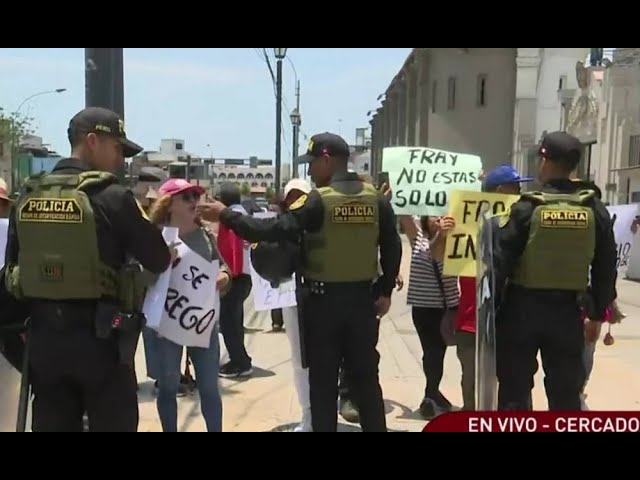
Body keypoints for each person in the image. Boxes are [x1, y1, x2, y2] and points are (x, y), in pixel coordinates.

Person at [197, 132, 402, 432]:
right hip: (362, 305)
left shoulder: (317, 200)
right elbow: (392, 244)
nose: (309, 171)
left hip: (323, 308)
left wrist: (226, 215)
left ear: (327, 159)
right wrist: (384, 291)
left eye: (312, 163)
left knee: (322, 388)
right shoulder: (376, 200)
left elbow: (271, 230)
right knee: (367, 385)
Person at [4, 106, 173, 432]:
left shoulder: (28, 194)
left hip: (44, 343)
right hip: (102, 343)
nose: (120, 159)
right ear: (92, 141)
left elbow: (14, 269)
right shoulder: (112, 197)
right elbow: (158, 259)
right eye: (117, 148)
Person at [494, 131, 618, 411]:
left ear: (545, 160)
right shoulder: (594, 208)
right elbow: (605, 267)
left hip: (521, 312)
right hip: (568, 313)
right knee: (565, 398)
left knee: (514, 395)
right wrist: (597, 315)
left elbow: (501, 262)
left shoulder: (527, 207)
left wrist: (493, 311)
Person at [146, 178, 231, 432]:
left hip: (202, 325)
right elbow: (140, 279)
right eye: (186, 197)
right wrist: (162, 262)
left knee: (208, 387)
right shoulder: (153, 237)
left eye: (195, 196)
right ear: (168, 204)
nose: (194, 202)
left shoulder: (205, 235)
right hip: (165, 326)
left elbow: (224, 266)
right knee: (169, 386)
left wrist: (224, 278)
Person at [451, 165, 533, 411]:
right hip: (471, 322)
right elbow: (438, 256)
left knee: (515, 386)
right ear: (500, 191)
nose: (520, 191)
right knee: (474, 391)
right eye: (515, 187)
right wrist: (441, 235)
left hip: (510, 322)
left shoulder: (523, 225)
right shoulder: (465, 223)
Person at [399, 213, 458, 418]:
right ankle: (430, 395)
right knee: (432, 351)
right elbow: (405, 215)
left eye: (442, 215)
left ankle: (432, 394)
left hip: (447, 307)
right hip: (423, 307)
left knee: (437, 352)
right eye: (433, 217)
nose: (438, 220)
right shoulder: (418, 238)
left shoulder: (456, 239)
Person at [216, 183, 254, 378]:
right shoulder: (243, 215)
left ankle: (240, 362)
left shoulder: (230, 218)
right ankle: (240, 359)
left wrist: (231, 274)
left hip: (236, 276)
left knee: (228, 322)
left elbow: (234, 247)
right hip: (245, 276)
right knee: (234, 321)